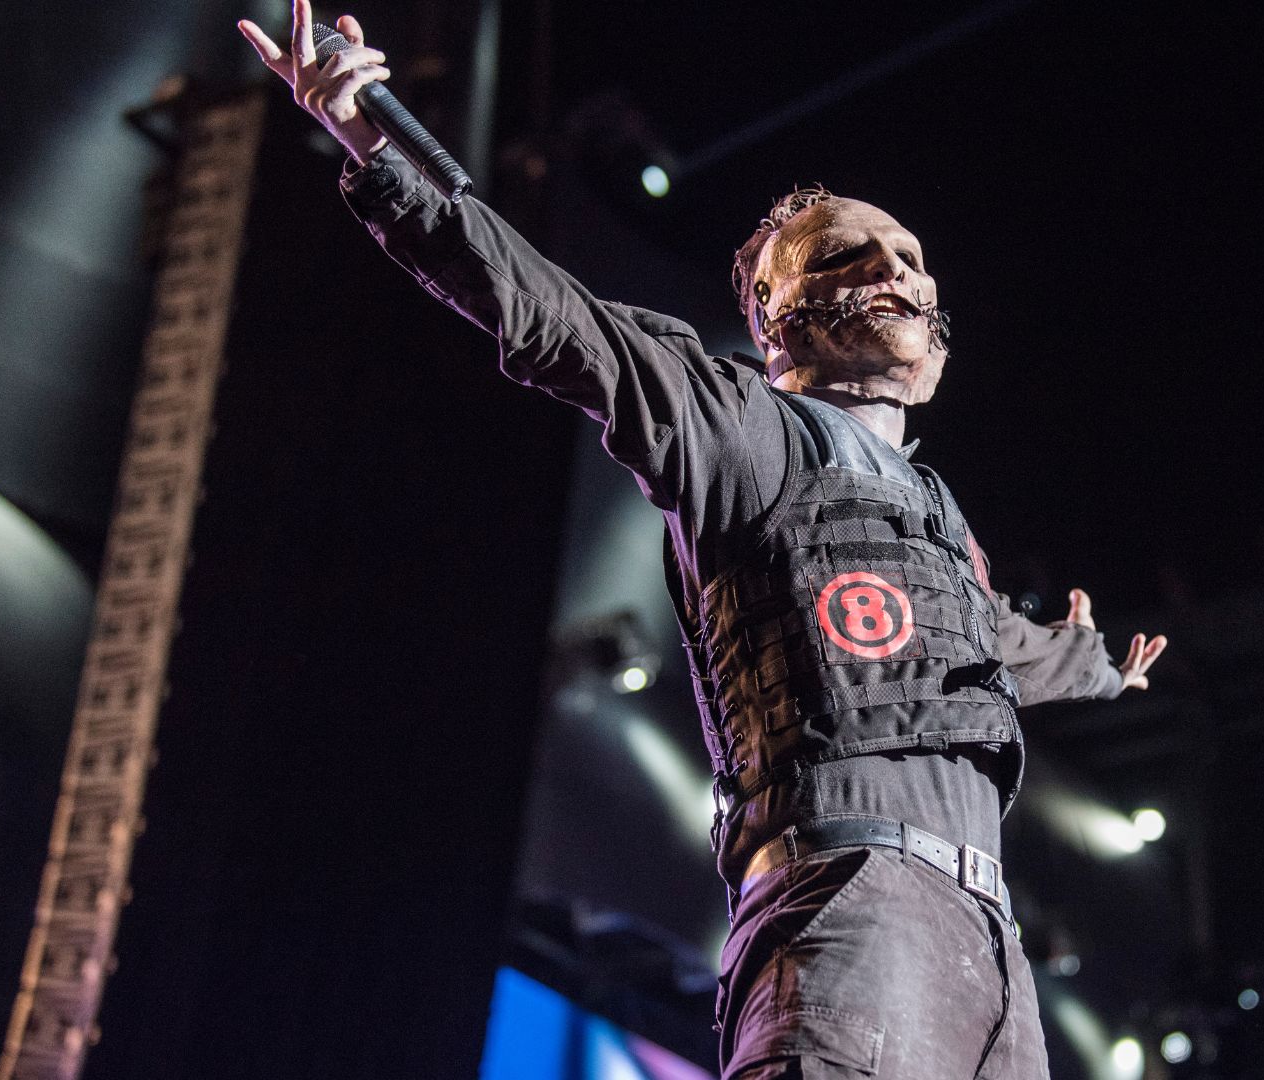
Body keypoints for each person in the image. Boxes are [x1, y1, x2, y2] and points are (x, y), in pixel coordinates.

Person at [240, 6, 1168, 1077]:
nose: (896, 270)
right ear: (775, 310)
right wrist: (377, 139)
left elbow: (996, 643)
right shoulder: (745, 427)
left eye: (910, 255)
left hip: (990, 954)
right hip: (852, 901)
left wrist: (1100, 666)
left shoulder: (937, 512)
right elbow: (554, 318)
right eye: (850, 253)